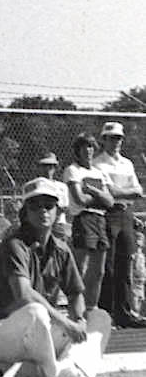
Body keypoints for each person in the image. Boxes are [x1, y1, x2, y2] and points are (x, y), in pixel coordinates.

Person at [0, 177, 111, 377]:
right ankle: (53, 375)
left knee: (100, 318)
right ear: (25, 211)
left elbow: (76, 294)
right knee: (35, 310)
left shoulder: (61, 249)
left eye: (48, 205)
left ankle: (74, 369)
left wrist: (78, 320)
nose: (43, 211)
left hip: (39, 334)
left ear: (58, 210)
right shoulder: (14, 245)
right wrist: (67, 324)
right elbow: (24, 294)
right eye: (34, 205)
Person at [94, 121, 146, 329]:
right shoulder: (98, 164)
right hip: (108, 214)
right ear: (103, 139)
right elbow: (110, 192)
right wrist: (123, 192)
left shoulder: (127, 164)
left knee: (125, 263)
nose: (115, 141)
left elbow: (138, 190)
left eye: (118, 138)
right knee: (108, 265)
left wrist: (119, 192)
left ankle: (124, 314)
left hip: (126, 214)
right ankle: (106, 314)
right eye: (111, 137)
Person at [62, 134, 115, 312]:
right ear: (77, 151)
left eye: (91, 147)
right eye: (84, 147)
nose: (88, 151)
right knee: (80, 268)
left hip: (100, 219)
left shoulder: (99, 173)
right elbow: (79, 199)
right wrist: (99, 197)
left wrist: (92, 191)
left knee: (98, 271)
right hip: (84, 219)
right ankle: (76, 309)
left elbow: (109, 202)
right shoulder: (73, 170)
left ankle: (91, 308)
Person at [36, 153, 70, 240]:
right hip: (39, 223)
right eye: (44, 166)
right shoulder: (35, 185)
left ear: (55, 168)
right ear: (39, 167)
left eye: (51, 166)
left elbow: (65, 207)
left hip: (58, 224)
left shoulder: (62, 186)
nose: (47, 169)